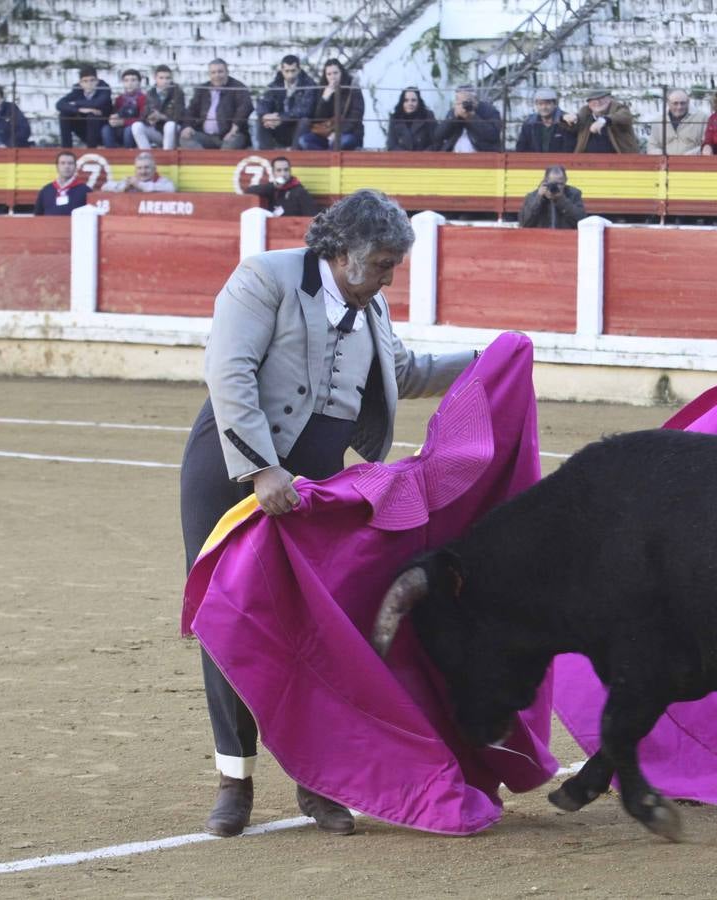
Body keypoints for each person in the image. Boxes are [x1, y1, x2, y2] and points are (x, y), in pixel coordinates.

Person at [180, 189, 476, 838]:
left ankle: (317, 782)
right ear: (340, 254)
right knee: (229, 623)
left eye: (394, 266)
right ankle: (236, 777)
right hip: (232, 472)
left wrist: (485, 361)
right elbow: (228, 372)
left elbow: (404, 372)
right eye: (380, 265)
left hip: (312, 488)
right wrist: (260, 469)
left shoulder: (372, 306)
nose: (387, 278)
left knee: (315, 629)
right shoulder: (266, 277)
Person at [180, 59, 252, 150]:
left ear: (227, 72)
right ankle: (203, 162)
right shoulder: (202, 89)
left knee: (230, 145)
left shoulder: (238, 87)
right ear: (209, 74)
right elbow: (191, 110)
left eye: (220, 72)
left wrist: (234, 129)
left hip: (231, 134)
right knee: (185, 138)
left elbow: (245, 108)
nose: (217, 75)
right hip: (206, 135)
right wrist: (187, 126)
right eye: (213, 72)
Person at [298, 60, 365, 151]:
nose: (332, 77)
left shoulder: (352, 87)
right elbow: (319, 117)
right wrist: (325, 98)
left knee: (342, 142)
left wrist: (338, 133)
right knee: (303, 141)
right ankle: (326, 157)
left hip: (348, 133)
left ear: (341, 73)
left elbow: (356, 114)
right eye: (329, 74)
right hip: (326, 133)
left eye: (335, 73)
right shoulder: (323, 88)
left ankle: (326, 158)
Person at [257, 54, 319, 150]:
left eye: (293, 71)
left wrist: (281, 118)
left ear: (299, 69)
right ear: (282, 70)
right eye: (287, 71)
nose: (290, 75)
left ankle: (294, 153)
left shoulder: (309, 84)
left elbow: (305, 110)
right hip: (278, 126)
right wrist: (265, 115)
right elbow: (263, 103)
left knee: (305, 121)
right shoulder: (275, 84)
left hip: (296, 127)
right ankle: (266, 155)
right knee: (263, 121)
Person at [566, 88, 638, 154]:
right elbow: (570, 128)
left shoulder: (619, 109)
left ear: (609, 99)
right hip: (588, 162)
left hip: (619, 162)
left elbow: (624, 116)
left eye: (602, 98)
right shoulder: (585, 114)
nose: (598, 102)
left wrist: (604, 121)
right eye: (593, 99)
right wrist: (565, 119)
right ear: (589, 103)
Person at [432, 85, 502, 153]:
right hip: (453, 156)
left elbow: (493, 136)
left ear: (475, 99)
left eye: (466, 101)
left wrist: (472, 118)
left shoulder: (489, 111)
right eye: (459, 101)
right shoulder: (453, 112)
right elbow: (438, 136)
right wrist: (453, 117)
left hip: (480, 156)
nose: (463, 105)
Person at [56, 66, 113, 148]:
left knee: (92, 115)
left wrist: (75, 103)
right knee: (64, 115)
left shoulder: (104, 88)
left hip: (101, 126)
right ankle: (66, 148)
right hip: (83, 127)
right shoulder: (77, 90)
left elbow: (97, 103)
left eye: (92, 80)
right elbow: (59, 104)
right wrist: (79, 110)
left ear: (97, 81)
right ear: (80, 83)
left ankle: (91, 148)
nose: (89, 84)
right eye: (85, 81)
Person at [243, 156, 319, 217]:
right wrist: (273, 186)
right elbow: (249, 190)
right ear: (273, 173)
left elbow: (312, 216)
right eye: (279, 170)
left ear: (290, 171)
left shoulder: (300, 192)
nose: (283, 174)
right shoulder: (271, 189)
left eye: (286, 170)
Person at [133, 65, 186, 150]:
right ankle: (147, 155)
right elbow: (144, 114)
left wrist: (161, 117)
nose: (165, 81)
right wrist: (149, 118)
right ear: (155, 78)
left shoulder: (178, 92)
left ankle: (167, 156)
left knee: (170, 125)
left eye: (167, 78)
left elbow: (180, 116)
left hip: (173, 132)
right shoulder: (150, 93)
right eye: (161, 78)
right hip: (156, 130)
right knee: (136, 126)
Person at [518, 164, 585, 229]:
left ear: (565, 180)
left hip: (565, 237)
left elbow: (582, 221)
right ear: (546, 181)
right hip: (541, 237)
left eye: (560, 184)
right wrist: (538, 198)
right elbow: (524, 223)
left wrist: (562, 200)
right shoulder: (533, 196)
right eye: (553, 183)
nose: (556, 187)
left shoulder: (573, 194)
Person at [647, 88, 707, 155]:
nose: (679, 107)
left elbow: (706, 145)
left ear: (688, 102)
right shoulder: (659, 121)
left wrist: (691, 154)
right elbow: (652, 146)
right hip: (666, 163)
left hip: (693, 162)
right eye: (675, 103)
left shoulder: (702, 118)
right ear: (668, 103)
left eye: (683, 103)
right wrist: (661, 154)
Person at [515, 87, 575, 153]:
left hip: (559, 162)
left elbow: (570, 148)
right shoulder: (529, 123)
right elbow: (521, 148)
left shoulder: (566, 121)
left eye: (548, 103)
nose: (544, 107)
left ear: (555, 104)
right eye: (540, 104)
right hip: (535, 161)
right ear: (536, 105)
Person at [102, 69, 148, 148]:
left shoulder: (144, 98)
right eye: (126, 80)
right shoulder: (119, 99)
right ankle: (111, 154)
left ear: (139, 82)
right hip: (119, 129)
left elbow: (143, 119)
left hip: (133, 130)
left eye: (133, 80)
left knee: (129, 130)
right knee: (106, 129)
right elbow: (115, 114)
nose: (129, 83)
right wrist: (113, 119)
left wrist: (124, 122)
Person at [385, 86, 436, 151]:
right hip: (401, 159)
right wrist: (408, 157)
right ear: (402, 102)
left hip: (424, 159)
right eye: (406, 100)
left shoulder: (428, 116)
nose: (410, 103)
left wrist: (422, 157)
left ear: (419, 102)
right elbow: (391, 145)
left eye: (413, 100)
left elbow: (435, 142)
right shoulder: (394, 118)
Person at [102, 151, 176, 192]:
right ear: (135, 170)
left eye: (146, 167)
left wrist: (140, 185)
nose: (143, 171)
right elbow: (105, 186)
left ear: (154, 169)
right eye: (139, 168)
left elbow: (171, 188)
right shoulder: (132, 180)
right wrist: (123, 187)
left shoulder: (162, 181)